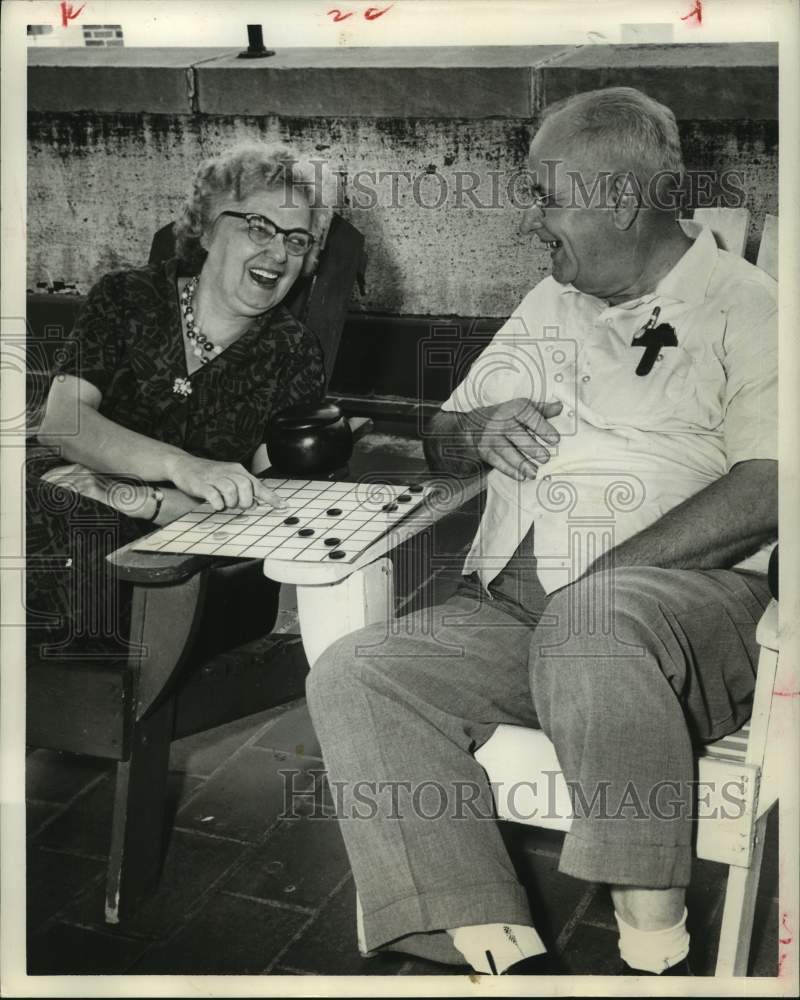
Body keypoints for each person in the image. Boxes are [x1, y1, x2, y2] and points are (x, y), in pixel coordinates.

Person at [305, 87, 777, 976]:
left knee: (589, 624)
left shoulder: (749, 309)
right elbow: (442, 435)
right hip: (517, 612)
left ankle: (654, 952)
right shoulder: (552, 301)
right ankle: (503, 956)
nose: (534, 222)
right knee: (357, 674)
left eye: (545, 196)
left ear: (621, 200)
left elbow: (771, 484)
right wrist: (476, 432)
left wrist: (602, 580)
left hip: (683, 615)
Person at [27, 142, 332, 658]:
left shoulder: (292, 351)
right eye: (258, 226)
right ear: (208, 228)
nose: (279, 253)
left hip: (179, 562)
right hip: (59, 510)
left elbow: (281, 498)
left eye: (296, 241)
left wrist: (145, 500)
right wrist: (181, 468)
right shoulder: (126, 298)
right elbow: (62, 425)